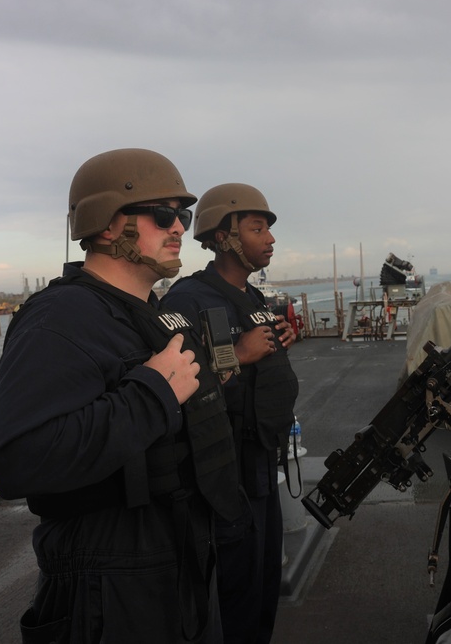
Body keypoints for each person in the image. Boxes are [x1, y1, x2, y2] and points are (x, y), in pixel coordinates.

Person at [0, 148, 242, 644]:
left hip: (176, 562)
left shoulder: (147, 313)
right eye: (163, 214)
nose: (179, 228)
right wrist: (152, 394)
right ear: (107, 225)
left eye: (183, 216)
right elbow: (17, 460)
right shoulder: (61, 318)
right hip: (109, 579)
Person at [163, 183, 298, 644]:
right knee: (231, 593)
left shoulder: (252, 299)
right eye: (257, 228)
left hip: (262, 463)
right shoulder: (187, 300)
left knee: (262, 586)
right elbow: (178, 387)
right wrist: (239, 354)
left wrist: (275, 344)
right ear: (225, 236)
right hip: (224, 473)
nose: (270, 238)